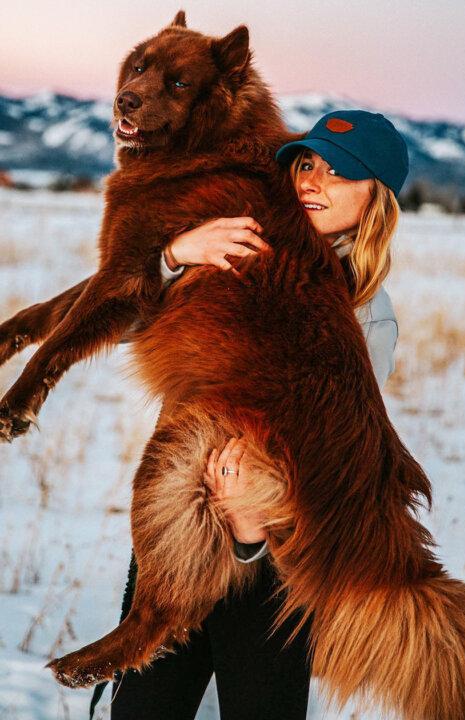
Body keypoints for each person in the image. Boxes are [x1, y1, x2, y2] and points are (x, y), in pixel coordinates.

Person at [91, 110, 409, 720]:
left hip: (273, 556)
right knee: (142, 709)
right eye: (307, 163)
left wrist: (249, 529)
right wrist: (175, 254)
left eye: (343, 172)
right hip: (178, 528)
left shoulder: (367, 313)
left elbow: (332, 448)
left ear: (378, 199)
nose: (314, 181)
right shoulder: (238, 243)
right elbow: (125, 323)